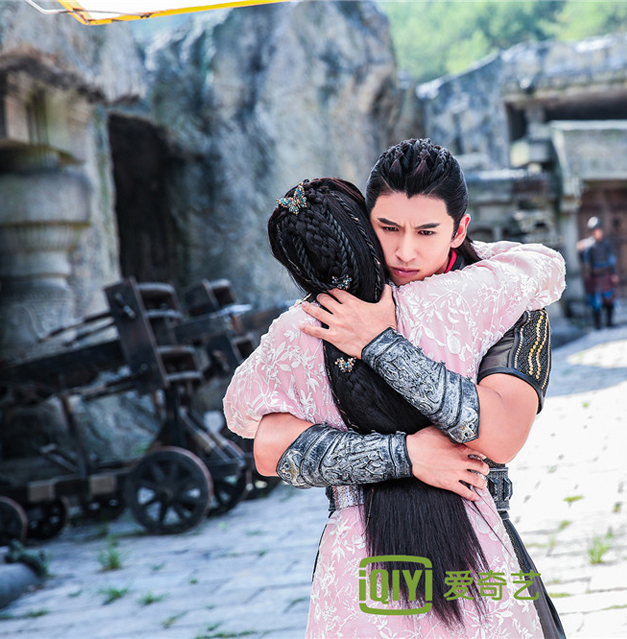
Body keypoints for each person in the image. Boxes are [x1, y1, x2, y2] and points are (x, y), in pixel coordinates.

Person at [224, 143, 566, 636]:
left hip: (479, 549)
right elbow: (270, 448)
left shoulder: (511, 298)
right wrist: (406, 456)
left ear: (459, 230)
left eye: (426, 232)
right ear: (367, 223)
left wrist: (379, 342)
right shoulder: (331, 310)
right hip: (362, 558)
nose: (405, 251)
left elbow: (501, 434)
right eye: (388, 228)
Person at [576, 216, 619, 329]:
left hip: (606, 275)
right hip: (594, 276)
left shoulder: (606, 244)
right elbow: (584, 260)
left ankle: (610, 322)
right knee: (595, 302)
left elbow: (612, 260)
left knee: (610, 300)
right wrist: (580, 251)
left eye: (598, 230)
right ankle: (598, 324)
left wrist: (614, 274)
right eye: (594, 230)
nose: (597, 232)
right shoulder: (588, 245)